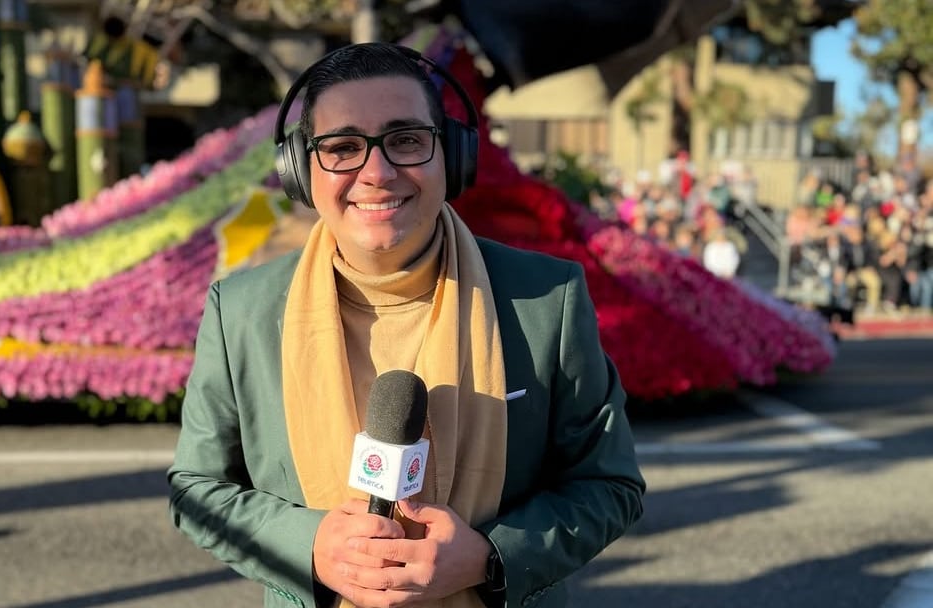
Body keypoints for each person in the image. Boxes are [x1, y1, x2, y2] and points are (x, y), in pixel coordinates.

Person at [167, 42, 645, 608]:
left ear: (453, 156)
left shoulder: (546, 299)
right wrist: (310, 546)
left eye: (407, 141)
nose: (377, 171)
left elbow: (609, 485)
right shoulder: (240, 312)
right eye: (342, 147)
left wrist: (491, 557)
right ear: (300, 169)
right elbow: (197, 488)